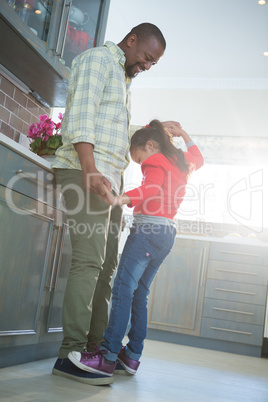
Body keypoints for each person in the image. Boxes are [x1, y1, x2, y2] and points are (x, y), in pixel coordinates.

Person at [52, 24, 167, 386]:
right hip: (86, 172)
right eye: (147, 57)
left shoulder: (122, 79)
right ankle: (69, 353)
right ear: (131, 41)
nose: (148, 65)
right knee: (89, 262)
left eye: (154, 63)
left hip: (109, 181)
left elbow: (114, 127)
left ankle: (96, 352)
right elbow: (81, 116)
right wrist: (89, 169)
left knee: (108, 268)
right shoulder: (98, 60)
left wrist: (159, 131)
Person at [67, 120, 204, 379]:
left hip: (147, 232)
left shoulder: (156, 161)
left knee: (122, 290)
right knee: (140, 294)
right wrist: (184, 133)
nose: (142, 164)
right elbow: (199, 156)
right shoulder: (182, 160)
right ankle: (131, 356)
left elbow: (150, 188)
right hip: (167, 233)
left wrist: (119, 199)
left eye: (139, 158)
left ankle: (106, 357)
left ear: (150, 146)